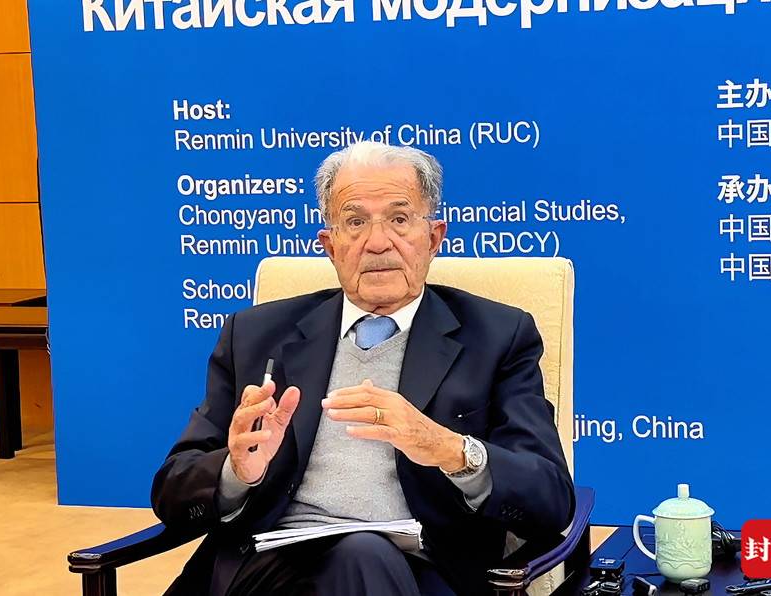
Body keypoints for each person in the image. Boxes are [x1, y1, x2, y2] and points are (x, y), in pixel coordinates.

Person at [151, 141, 574, 596]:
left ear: (434, 238)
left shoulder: (497, 336)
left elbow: (550, 497)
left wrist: (450, 449)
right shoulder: (254, 334)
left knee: (361, 556)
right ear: (330, 246)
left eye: (399, 219)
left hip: (414, 573)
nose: (377, 242)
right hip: (266, 570)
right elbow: (172, 490)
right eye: (355, 222)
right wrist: (236, 472)